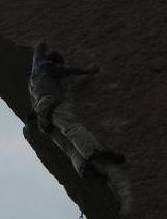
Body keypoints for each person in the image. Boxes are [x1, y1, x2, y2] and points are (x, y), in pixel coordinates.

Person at [29, 41, 125, 177]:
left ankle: (83, 168)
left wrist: (41, 45)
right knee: (72, 128)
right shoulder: (48, 67)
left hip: (41, 119)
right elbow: (69, 70)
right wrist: (88, 71)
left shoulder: (35, 73)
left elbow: (37, 54)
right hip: (50, 104)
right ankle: (94, 152)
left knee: (68, 148)